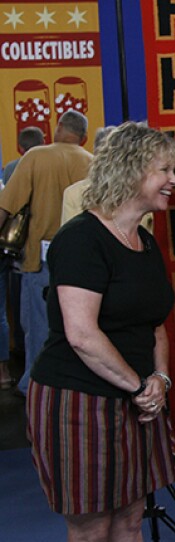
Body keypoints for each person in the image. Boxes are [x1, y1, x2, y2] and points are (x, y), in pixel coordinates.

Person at [27, 121, 175, 541]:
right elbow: (81, 335)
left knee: (131, 517)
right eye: (164, 171)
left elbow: (155, 324)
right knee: (93, 527)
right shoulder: (81, 240)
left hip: (135, 401)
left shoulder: (144, 243)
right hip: (77, 402)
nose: (174, 181)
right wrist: (140, 387)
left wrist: (160, 380)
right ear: (131, 170)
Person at [0, 111, 92, 398]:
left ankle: (37, 393)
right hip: (83, 259)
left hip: (39, 260)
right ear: (84, 137)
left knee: (38, 329)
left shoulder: (36, 156)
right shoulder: (92, 162)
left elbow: (7, 206)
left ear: (59, 128)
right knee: (82, 328)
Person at [0, 126, 45, 389]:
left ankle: (14, 371)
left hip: (20, 247)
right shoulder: (81, 159)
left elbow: (8, 206)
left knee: (20, 312)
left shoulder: (11, 168)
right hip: (43, 247)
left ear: (19, 146)